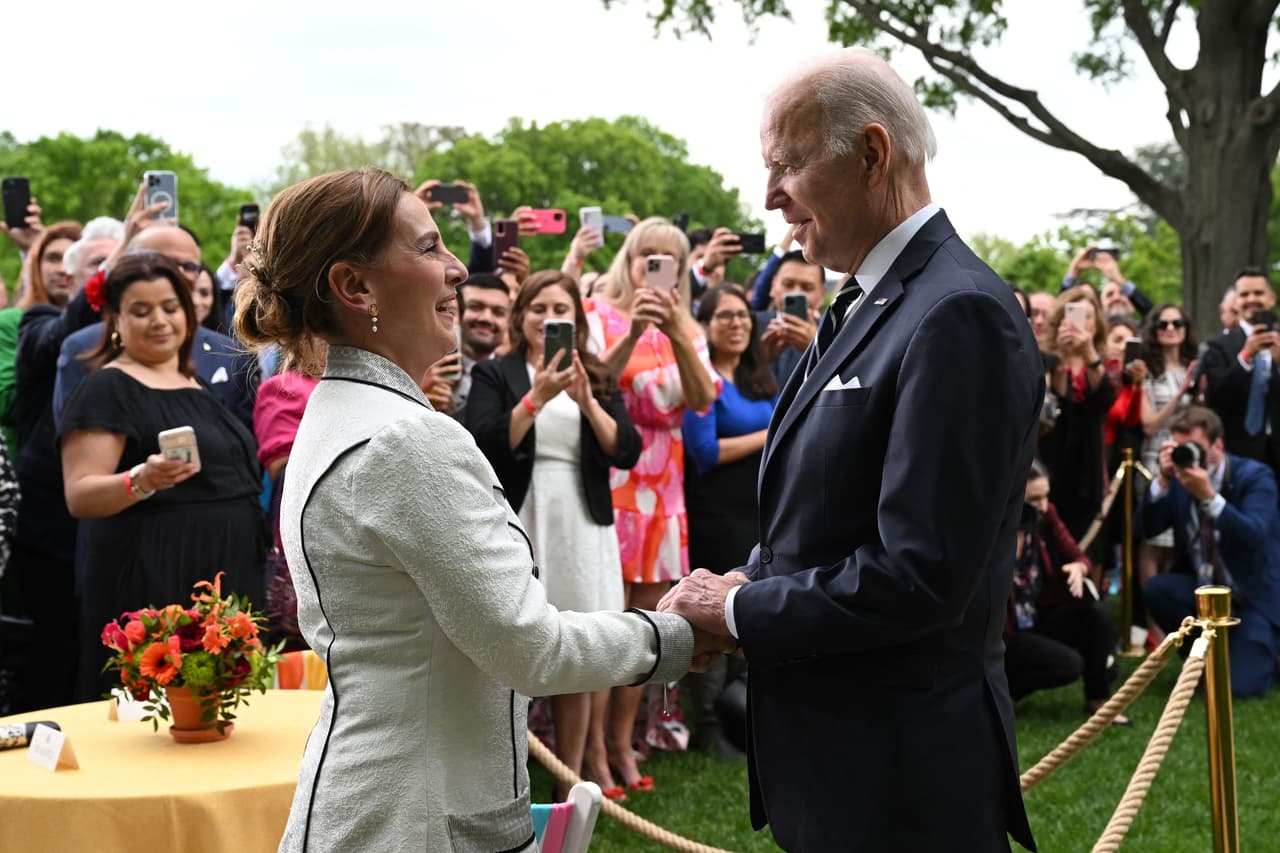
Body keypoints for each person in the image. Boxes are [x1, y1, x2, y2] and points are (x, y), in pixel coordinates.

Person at [232, 167, 712, 852]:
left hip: (379, 800)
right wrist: (682, 635)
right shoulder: (405, 436)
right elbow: (532, 648)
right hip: (417, 818)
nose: (458, 269)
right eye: (429, 248)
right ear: (354, 286)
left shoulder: (345, 410)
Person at [658, 49, 1039, 852]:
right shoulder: (865, 299)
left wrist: (732, 613)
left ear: (872, 153)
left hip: (903, 778)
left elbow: (921, 572)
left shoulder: (956, 312)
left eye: (786, 165)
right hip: (838, 761)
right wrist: (746, 579)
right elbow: (825, 512)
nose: (768, 196)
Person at [465, 269, 642, 801]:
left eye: (560, 309)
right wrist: (535, 397)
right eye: (539, 308)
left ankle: (579, 769)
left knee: (584, 641)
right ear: (521, 317)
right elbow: (484, 444)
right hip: (523, 515)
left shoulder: (598, 375)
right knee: (522, 636)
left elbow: (626, 451)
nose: (549, 319)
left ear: (577, 319)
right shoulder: (498, 373)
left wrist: (586, 398)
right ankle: (506, 769)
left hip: (583, 522)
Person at [59, 252, 265, 700]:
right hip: (155, 577)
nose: (160, 321)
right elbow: (80, 494)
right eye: (141, 310)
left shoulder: (196, 386)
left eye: (170, 308)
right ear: (115, 317)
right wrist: (143, 478)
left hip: (225, 580)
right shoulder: (106, 387)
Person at [586, 216, 719, 792]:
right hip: (614, 477)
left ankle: (624, 742)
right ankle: (588, 749)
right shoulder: (600, 315)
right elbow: (593, 382)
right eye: (647, 256)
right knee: (601, 616)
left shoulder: (689, 325)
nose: (656, 266)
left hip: (665, 488)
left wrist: (674, 331)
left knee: (643, 623)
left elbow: (701, 397)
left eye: (670, 257)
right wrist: (635, 332)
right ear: (629, 261)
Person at [683, 284, 778, 759]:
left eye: (743, 315)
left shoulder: (760, 377)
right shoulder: (701, 380)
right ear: (704, 323)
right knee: (716, 613)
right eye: (723, 315)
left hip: (758, 513)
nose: (736, 323)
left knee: (749, 613)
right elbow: (703, 451)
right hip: (716, 513)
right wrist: (768, 436)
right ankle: (706, 727)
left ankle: (743, 724)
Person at [53, 225, 260, 432]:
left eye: (188, 265)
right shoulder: (84, 349)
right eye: (165, 263)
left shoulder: (229, 352)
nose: (176, 274)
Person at [1142, 406, 1280, 697]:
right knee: (1156, 590)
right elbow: (1145, 529)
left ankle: (1263, 649)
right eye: (1179, 448)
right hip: (1204, 591)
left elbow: (1253, 536)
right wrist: (1162, 482)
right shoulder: (1180, 479)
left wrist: (1211, 498)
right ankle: (1202, 659)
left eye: (1194, 448)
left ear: (1218, 446)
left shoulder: (1255, 477)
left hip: (1250, 595)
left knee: (1239, 688)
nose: (1187, 456)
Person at [1008, 462, 1125, 721]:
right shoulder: (994, 530)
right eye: (1033, 499)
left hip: (1037, 617)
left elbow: (1079, 556)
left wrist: (1077, 569)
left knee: (1096, 615)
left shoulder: (1046, 515)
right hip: (1005, 633)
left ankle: (1099, 699)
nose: (1042, 504)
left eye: (1046, 495)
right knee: (1069, 665)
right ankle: (1001, 694)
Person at [1039, 285, 1116, 543]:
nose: (1079, 324)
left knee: (1086, 549)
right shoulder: (1046, 360)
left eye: (1087, 317)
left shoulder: (1104, 363)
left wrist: (1089, 353)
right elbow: (1054, 408)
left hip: (1088, 470)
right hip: (1052, 463)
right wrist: (1062, 358)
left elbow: (1105, 399)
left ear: (1097, 324)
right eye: (1072, 315)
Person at [1138, 304, 1198, 583]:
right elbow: (1149, 425)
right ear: (1154, 331)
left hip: (1190, 456)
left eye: (1177, 323)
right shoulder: (1148, 371)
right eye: (1163, 324)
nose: (1171, 329)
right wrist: (1181, 393)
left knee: (1178, 538)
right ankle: (1151, 621)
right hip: (1156, 456)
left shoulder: (1194, 366)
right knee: (1154, 539)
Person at [1201, 267, 1280, 476]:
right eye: (1244, 294)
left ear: (1272, 298)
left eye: (1258, 293)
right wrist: (1246, 356)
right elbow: (1216, 398)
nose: (1251, 299)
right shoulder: (1218, 345)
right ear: (1235, 302)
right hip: (1237, 453)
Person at [755, 249, 825, 385]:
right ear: (773, 286)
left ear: (822, 294)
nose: (795, 292)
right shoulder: (748, 326)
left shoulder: (836, 336)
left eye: (807, 287)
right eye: (788, 284)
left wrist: (817, 349)